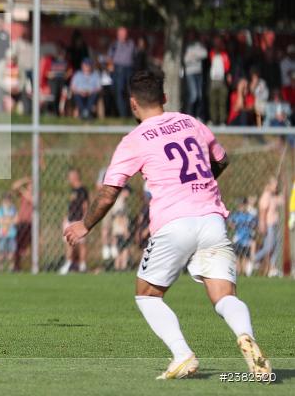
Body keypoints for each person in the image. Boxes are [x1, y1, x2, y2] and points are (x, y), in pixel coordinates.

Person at [64, 69, 272, 380]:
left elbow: (108, 194)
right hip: (212, 219)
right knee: (225, 295)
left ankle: (182, 354)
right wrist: (199, 186)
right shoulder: (191, 123)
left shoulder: (134, 140)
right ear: (164, 97)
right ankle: (245, 336)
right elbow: (222, 159)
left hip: (173, 223)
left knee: (147, 294)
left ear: (133, 104)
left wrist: (85, 225)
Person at [60, 169, 89, 274]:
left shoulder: (82, 190)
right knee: (68, 243)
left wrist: (84, 220)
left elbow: (85, 206)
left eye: (70, 176)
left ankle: (82, 265)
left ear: (76, 176)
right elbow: (71, 207)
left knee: (81, 244)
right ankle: (68, 263)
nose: (69, 179)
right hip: (70, 220)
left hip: (79, 220)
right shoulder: (72, 190)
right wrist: (66, 217)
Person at [253, 178, 283, 277]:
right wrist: (262, 225)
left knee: (275, 247)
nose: (276, 187)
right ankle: (253, 260)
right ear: (269, 185)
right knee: (269, 246)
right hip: (268, 224)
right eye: (275, 185)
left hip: (275, 224)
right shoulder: (266, 196)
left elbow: (282, 200)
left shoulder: (273, 196)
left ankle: (273, 268)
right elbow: (262, 212)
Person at [108, 26, 135, 117]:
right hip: (118, 70)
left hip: (129, 70)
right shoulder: (114, 45)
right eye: (122, 34)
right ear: (118, 35)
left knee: (131, 92)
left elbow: (135, 56)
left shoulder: (131, 44)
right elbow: (109, 58)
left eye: (125, 34)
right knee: (119, 92)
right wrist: (111, 68)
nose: (124, 36)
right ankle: (123, 115)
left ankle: (133, 114)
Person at [229, 198, 257, 276]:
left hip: (246, 241)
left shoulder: (249, 216)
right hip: (238, 240)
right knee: (237, 258)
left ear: (246, 206)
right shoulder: (236, 215)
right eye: (239, 206)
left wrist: (252, 227)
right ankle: (238, 272)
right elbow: (230, 221)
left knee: (245, 258)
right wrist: (233, 225)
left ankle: (244, 273)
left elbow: (254, 224)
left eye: (242, 205)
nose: (241, 207)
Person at [183, 34, 208, 119]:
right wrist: (196, 56)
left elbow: (204, 54)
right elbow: (185, 60)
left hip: (198, 72)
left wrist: (193, 56)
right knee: (193, 95)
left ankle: (198, 115)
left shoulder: (198, 44)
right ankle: (190, 116)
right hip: (190, 73)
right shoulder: (187, 46)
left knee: (199, 95)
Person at [208, 37, 232, 125]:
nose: (217, 45)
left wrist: (228, 75)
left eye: (219, 43)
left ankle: (222, 121)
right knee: (213, 102)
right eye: (216, 43)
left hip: (222, 81)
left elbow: (227, 67)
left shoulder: (224, 55)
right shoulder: (211, 53)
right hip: (213, 81)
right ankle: (214, 120)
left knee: (222, 102)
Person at [13, 177, 34, 272]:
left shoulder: (36, 194)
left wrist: (22, 189)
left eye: (32, 185)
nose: (30, 186)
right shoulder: (23, 193)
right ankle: (17, 267)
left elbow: (31, 200)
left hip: (29, 224)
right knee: (17, 246)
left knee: (27, 247)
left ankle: (30, 266)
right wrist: (25, 179)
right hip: (21, 223)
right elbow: (14, 186)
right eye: (29, 185)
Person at [0, 193, 17, 272]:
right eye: (6, 200)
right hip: (2, 235)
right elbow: (1, 221)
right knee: (1, 252)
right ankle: (0, 267)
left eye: (9, 200)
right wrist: (10, 220)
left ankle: (11, 268)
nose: (7, 202)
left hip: (12, 234)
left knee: (12, 252)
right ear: (3, 201)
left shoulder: (13, 209)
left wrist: (7, 220)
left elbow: (16, 220)